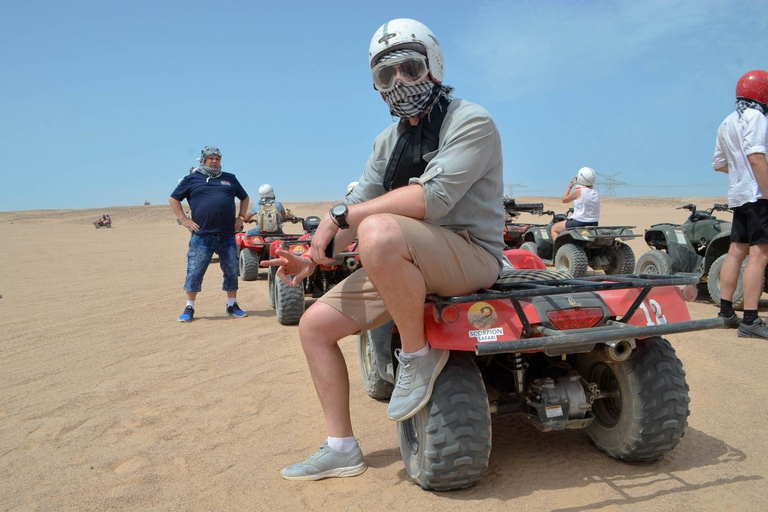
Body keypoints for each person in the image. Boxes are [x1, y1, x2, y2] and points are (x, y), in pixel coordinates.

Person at [263, 18, 505, 481]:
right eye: (385, 75)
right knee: (314, 326)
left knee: (376, 230)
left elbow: (429, 200)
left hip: (470, 255)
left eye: (410, 69)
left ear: (433, 66)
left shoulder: (471, 121)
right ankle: (340, 447)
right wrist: (313, 256)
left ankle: (416, 355)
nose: (399, 83)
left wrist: (343, 219)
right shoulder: (388, 141)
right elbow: (357, 202)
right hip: (406, 256)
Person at [712, 70, 768, 338]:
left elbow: (719, 164)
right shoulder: (756, 117)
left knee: (736, 251)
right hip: (758, 195)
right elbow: (757, 157)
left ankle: (725, 312)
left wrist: (739, 172)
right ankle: (750, 320)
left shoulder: (726, 122)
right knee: (760, 254)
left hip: (738, 195)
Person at [169, 145, 250, 322]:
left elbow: (244, 197)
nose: (215, 161)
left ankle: (232, 304)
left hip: (227, 234)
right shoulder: (192, 179)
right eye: (211, 158)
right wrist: (185, 220)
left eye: (218, 159)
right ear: (204, 159)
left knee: (230, 270)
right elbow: (174, 198)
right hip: (202, 235)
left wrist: (241, 217)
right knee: (195, 270)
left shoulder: (230, 178)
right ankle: (189, 307)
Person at [551, 167, 599, 243]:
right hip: (594, 223)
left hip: (579, 222)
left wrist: (570, 186)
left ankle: (560, 251)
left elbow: (564, 200)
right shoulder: (596, 191)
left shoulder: (579, 191)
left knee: (554, 229)